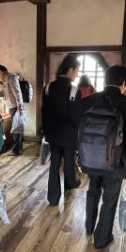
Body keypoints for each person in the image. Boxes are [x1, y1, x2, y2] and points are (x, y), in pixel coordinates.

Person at [81, 65, 126, 248]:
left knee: (93, 191)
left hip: (91, 158)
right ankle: (101, 238)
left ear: (105, 80)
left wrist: (79, 157)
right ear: (124, 83)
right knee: (109, 199)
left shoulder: (89, 100)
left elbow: (79, 131)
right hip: (116, 163)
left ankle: (89, 227)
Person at [42, 54, 82, 206]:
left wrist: (45, 131)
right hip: (69, 134)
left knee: (54, 163)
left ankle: (53, 197)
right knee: (69, 159)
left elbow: (44, 112)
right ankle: (70, 183)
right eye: (77, 71)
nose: (77, 74)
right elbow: (76, 118)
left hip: (52, 133)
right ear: (71, 70)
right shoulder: (74, 91)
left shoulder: (48, 87)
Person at [0, 64, 25, 156]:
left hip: (15, 107)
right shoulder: (7, 79)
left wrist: (19, 106)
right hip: (13, 106)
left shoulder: (11, 78)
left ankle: (16, 150)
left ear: (1, 72)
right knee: (18, 128)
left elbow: (17, 92)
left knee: (16, 129)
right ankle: (18, 149)